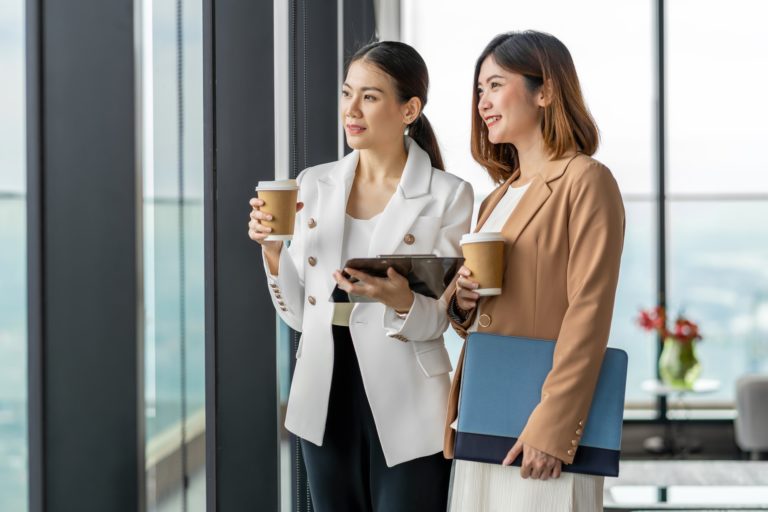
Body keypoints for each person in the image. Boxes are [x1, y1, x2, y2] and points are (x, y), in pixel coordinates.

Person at [247, 41, 473, 512]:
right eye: (347, 93)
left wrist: (400, 300)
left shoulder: (448, 195)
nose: (351, 110)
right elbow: (299, 316)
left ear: (409, 109)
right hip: (323, 391)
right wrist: (273, 251)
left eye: (369, 97)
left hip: (409, 396)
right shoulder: (313, 183)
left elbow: (441, 319)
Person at [444, 31, 625, 511]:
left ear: (544, 91)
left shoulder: (586, 180)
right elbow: (490, 312)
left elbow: (588, 312)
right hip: (484, 416)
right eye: (479, 90)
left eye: (495, 85)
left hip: (541, 430)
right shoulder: (497, 197)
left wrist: (553, 427)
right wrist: (462, 301)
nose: (482, 102)